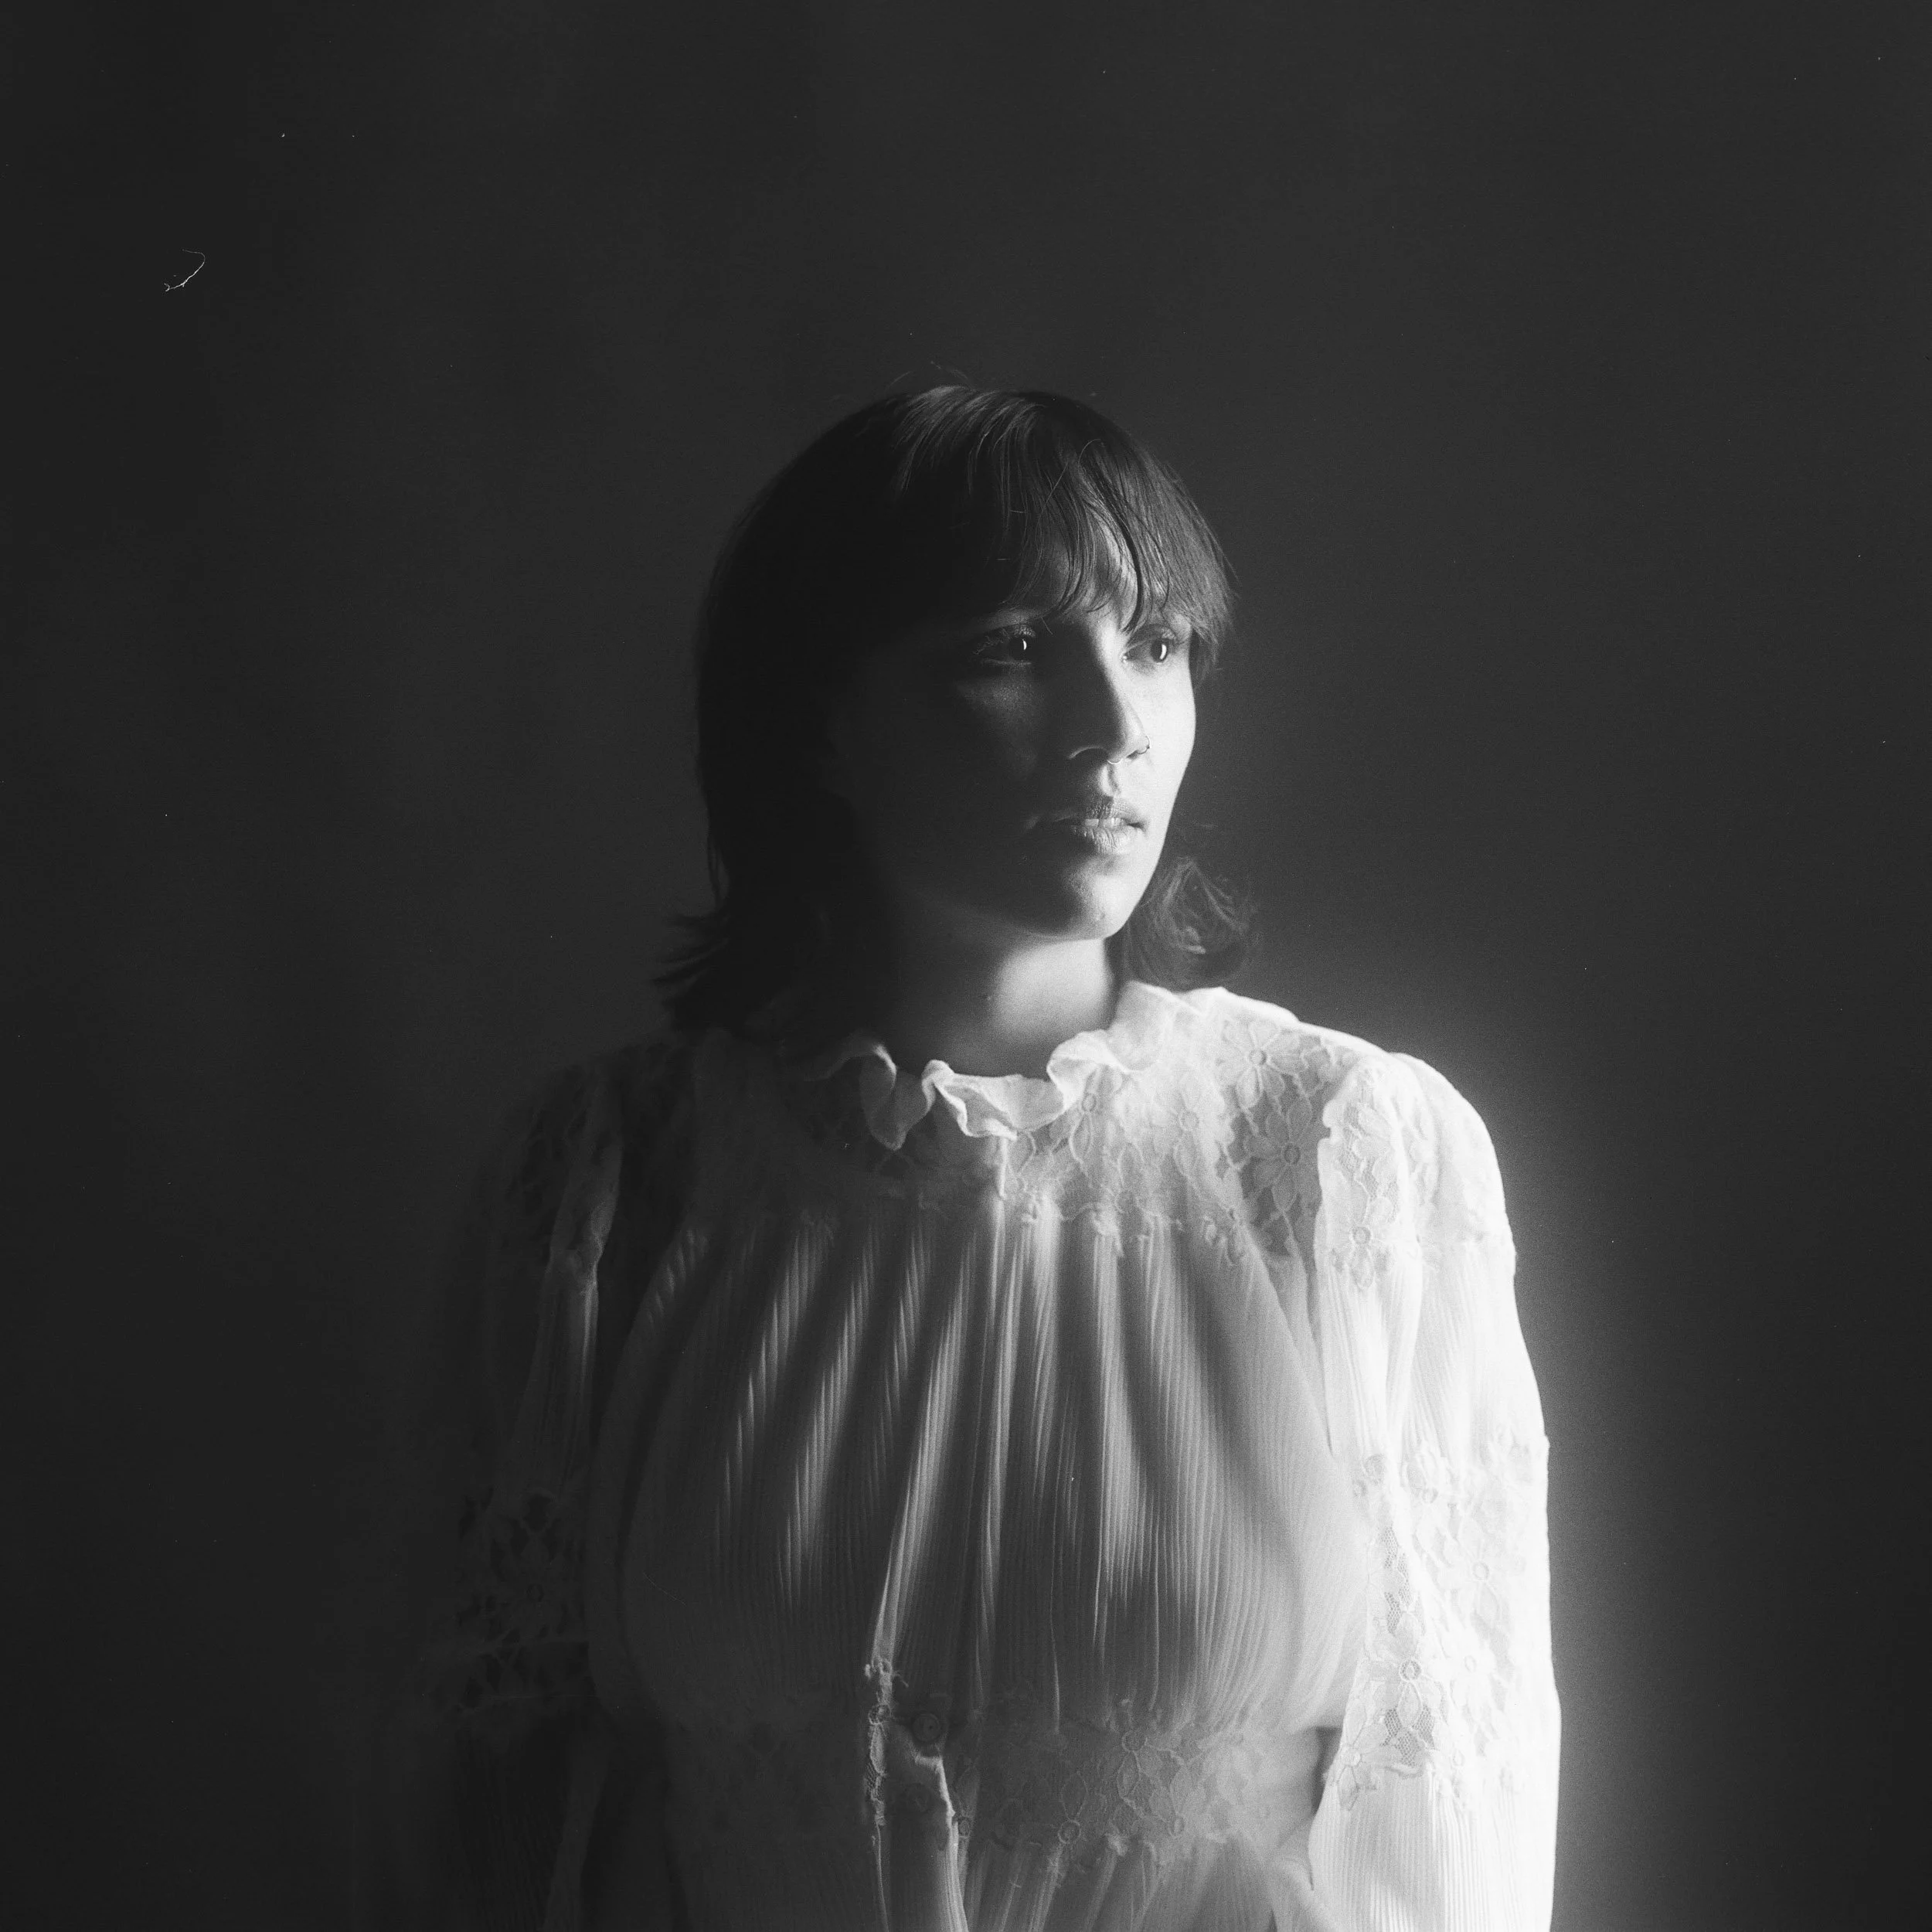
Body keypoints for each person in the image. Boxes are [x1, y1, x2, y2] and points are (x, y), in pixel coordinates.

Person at [369, 387, 1560, 1931]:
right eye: (1009, 650)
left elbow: (1455, 1809)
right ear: (827, 722)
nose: (1114, 724)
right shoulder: (610, 1189)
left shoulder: (1341, 1163)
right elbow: (473, 1821)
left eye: (1153, 643)